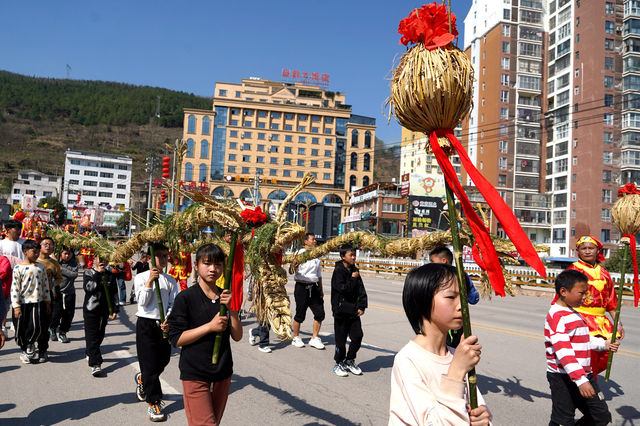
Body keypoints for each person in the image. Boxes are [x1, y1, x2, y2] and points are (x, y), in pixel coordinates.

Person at [389, 263, 491, 425]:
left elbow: (475, 408)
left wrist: (482, 418)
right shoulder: (408, 360)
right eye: (451, 297)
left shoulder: (455, 355)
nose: (461, 306)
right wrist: (456, 372)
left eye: (463, 298)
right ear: (422, 300)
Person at [168, 244, 242, 426]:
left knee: (214, 422)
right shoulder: (185, 298)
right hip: (195, 372)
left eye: (217, 265)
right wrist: (210, 327)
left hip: (223, 372)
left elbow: (238, 336)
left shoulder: (225, 296)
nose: (212, 269)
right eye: (207, 263)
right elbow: (176, 339)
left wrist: (231, 309)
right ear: (195, 265)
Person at [545, 269, 619, 425]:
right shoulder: (557, 316)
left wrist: (603, 344)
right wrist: (580, 380)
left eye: (586, 293)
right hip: (563, 376)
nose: (586, 297)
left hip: (585, 374)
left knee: (601, 416)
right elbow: (563, 351)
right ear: (563, 291)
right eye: (582, 293)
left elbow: (583, 339)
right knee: (563, 420)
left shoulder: (574, 312)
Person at [566, 236, 624, 375]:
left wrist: (619, 322)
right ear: (578, 251)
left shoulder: (604, 273)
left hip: (601, 321)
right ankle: (589, 389)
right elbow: (563, 297)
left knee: (604, 357)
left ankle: (588, 382)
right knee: (587, 358)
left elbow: (611, 301)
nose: (587, 251)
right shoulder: (573, 271)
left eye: (590, 248)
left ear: (597, 250)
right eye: (583, 248)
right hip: (581, 318)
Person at [134, 243, 179, 422]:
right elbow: (142, 302)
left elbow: (173, 303)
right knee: (150, 365)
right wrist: (150, 282)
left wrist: (168, 318)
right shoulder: (141, 277)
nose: (162, 259)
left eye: (165, 256)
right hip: (146, 324)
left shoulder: (170, 280)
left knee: (164, 359)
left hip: (163, 324)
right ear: (150, 258)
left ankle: (143, 379)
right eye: (158, 256)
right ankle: (154, 401)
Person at [429, 246, 479, 348]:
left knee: (452, 351)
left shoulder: (460, 276)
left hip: (453, 326)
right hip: (437, 324)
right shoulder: (434, 278)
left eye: (433, 261)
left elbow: (474, 299)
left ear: (444, 261)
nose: (431, 265)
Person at [10, 239, 51, 364]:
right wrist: (16, 307)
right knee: (21, 328)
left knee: (36, 327)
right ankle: (24, 349)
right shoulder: (18, 268)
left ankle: (32, 344)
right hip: (22, 304)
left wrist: (47, 301)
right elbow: (15, 288)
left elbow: (45, 285)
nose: (37, 254)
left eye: (38, 252)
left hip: (37, 303)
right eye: (34, 252)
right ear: (25, 252)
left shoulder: (40, 267)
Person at [331, 244, 368, 377]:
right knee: (340, 340)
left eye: (354, 254)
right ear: (342, 256)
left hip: (353, 311)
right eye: (350, 255)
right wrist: (352, 278)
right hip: (341, 311)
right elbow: (342, 289)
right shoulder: (338, 271)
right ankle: (338, 363)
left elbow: (361, 290)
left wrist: (362, 306)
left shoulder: (354, 270)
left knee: (357, 336)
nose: (353, 257)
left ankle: (350, 360)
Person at [83, 256, 119, 376]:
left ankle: (90, 351)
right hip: (91, 309)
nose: (103, 262)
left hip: (104, 310)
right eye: (100, 259)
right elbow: (89, 288)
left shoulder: (110, 275)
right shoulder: (88, 272)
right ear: (95, 260)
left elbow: (114, 292)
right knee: (92, 335)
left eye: (105, 259)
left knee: (100, 334)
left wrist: (115, 309)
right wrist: (98, 274)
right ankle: (95, 363)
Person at [290, 233, 325, 350]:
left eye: (315, 239)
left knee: (320, 313)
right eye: (312, 239)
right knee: (300, 313)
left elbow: (319, 274)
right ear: (305, 241)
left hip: (314, 287)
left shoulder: (317, 255)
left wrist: (321, 289)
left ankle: (314, 338)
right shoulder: (299, 254)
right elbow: (291, 271)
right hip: (301, 287)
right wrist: (294, 266)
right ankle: (296, 337)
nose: (315, 241)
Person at [50, 247, 78, 343]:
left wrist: (61, 268)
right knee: (56, 314)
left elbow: (74, 275)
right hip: (58, 292)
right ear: (60, 254)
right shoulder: (56, 262)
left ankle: (63, 332)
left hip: (70, 293)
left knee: (68, 314)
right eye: (65, 253)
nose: (67, 256)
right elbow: (52, 278)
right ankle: (52, 328)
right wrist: (53, 291)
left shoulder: (73, 263)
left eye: (69, 254)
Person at [38, 237, 63, 344]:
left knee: (45, 323)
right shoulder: (33, 260)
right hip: (33, 297)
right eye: (45, 244)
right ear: (40, 246)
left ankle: (43, 348)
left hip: (47, 297)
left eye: (50, 245)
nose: (48, 247)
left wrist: (52, 285)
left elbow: (59, 278)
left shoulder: (54, 263)